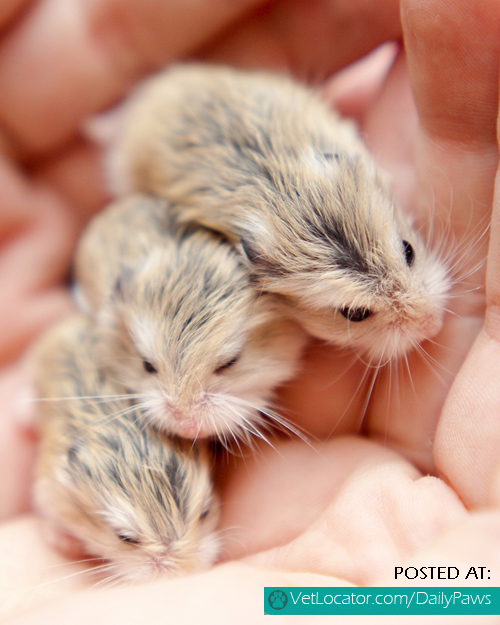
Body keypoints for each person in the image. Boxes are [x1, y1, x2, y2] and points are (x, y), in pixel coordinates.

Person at [1, 0, 500, 622]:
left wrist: (463, 588)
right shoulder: (182, 278)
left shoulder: (333, 171)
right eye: (353, 314)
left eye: (405, 250)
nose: (421, 316)